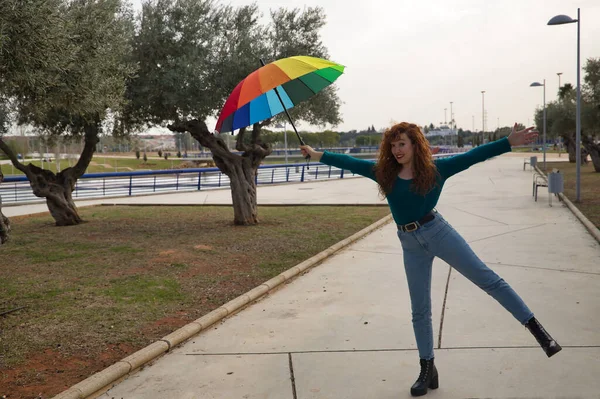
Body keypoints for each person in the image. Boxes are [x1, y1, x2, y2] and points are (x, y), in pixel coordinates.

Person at [300, 122, 561, 397]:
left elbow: (472, 157)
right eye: (393, 144)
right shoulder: (384, 174)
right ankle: (427, 368)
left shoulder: (436, 171)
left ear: (415, 145)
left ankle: (538, 331)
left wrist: (507, 143)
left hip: (438, 233)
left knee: (488, 280)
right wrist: (316, 154)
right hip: (410, 244)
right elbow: (349, 162)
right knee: (420, 309)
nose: (397, 149)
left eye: (402, 144)